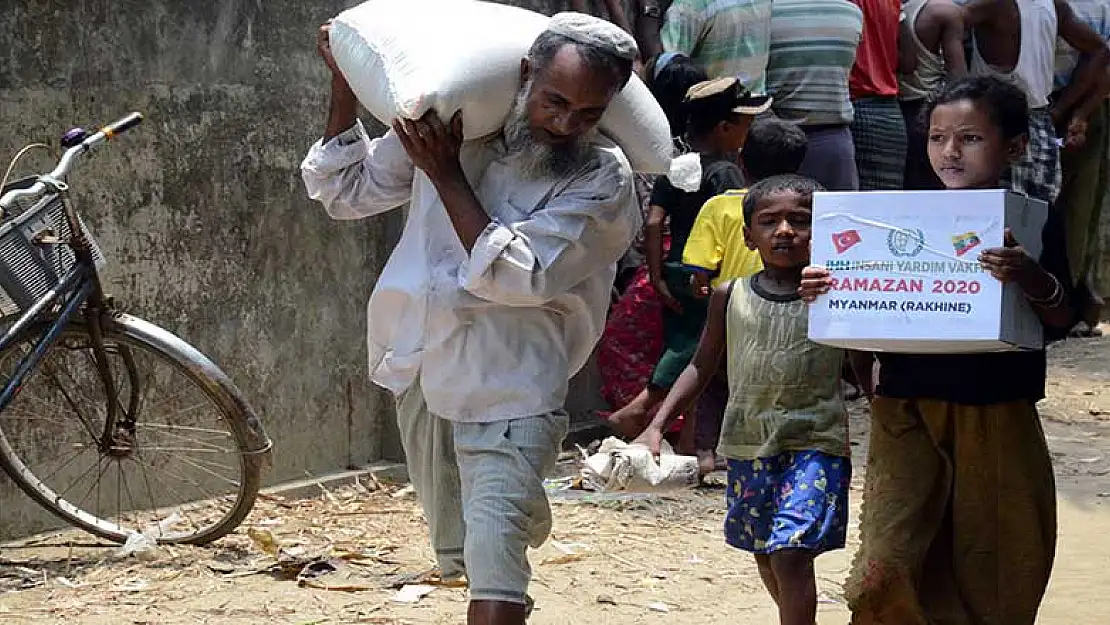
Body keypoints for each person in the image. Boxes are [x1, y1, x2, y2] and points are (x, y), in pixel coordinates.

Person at [301, 13, 642, 625]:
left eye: (587, 114)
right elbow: (344, 191)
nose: (565, 123)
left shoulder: (602, 177)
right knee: (459, 553)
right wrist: (347, 80)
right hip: (425, 374)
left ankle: (514, 512)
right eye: (554, 101)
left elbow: (521, 275)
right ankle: (519, 510)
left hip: (514, 390)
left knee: (494, 562)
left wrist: (446, 174)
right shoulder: (466, 127)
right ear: (522, 77)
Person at [800, 75, 1078, 624]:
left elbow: (1062, 318)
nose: (948, 152)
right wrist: (826, 291)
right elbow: (864, 323)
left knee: (994, 551)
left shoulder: (1034, 220)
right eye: (936, 137)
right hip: (905, 405)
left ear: (1015, 147)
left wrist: (1027, 273)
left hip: (996, 406)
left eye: (970, 138)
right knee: (890, 555)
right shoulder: (895, 218)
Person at [636, 174, 853, 625]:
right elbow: (701, 365)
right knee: (764, 551)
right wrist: (658, 424)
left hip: (816, 442)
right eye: (769, 221)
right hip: (748, 444)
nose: (785, 231)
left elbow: (865, 363)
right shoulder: (729, 295)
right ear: (748, 237)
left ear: (825, 230)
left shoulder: (839, 294)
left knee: (791, 551)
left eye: (800, 220)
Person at [605, 77, 772, 442]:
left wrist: (657, 274)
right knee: (701, 354)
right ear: (725, 128)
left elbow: (653, 220)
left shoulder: (677, 166)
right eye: (746, 124)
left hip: (675, 269)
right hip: (709, 273)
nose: (748, 132)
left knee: (682, 345)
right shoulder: (726, 173)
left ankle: (688, 440)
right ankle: (639, 409)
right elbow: (730, 224)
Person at [679, 118, 809, 472]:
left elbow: (700, 268)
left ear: (741, 161)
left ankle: (705, 452)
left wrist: (701, 288)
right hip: (789, 312)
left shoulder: (720, 206)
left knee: (714, 383)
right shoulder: (805, 213)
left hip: (734, 312)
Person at [599, 54, 709, 427]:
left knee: (643, 343)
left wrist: (652, 274)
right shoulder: (705, 156)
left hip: (657, 264)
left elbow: (649, 220)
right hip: (682, 264)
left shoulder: (645, 147)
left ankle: (648, 418)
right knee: (688, 346)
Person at [962, 0, 1110, 204]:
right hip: (1040, 129)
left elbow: (945, 21)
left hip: (996, 124)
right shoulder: (1052, 5)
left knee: (993, 219)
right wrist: (1059, 110)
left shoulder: (988, 6)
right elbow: (1099, 50)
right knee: (1033, 221)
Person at [1052, 0, 1110, 335]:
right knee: (1078, 210)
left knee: (1074, 210)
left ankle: (1073, 304)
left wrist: (1073, 113)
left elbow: (1102, 61)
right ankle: (1075, 305)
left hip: (1068, 106)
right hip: (1081, 107)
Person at [765, 0, 864, 191]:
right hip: (835, 142)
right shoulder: (851, 12)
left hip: (775, 138)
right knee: (838, 215)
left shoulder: (766, 13)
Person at [898, 0, 968, 189]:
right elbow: (958, 77)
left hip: (892, 109)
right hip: (931, 111)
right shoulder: (942, 11)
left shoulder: (892, 9)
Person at [848, 0, 909, 191]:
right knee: (884, 207)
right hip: (890, 114)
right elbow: (909, 61)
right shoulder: (891, 2)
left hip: (853, 107)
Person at [655, 0, 774, 88]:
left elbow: (666, 72)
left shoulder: (688, 7)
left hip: (713, 112)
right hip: (753, 105)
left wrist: (647, 17)